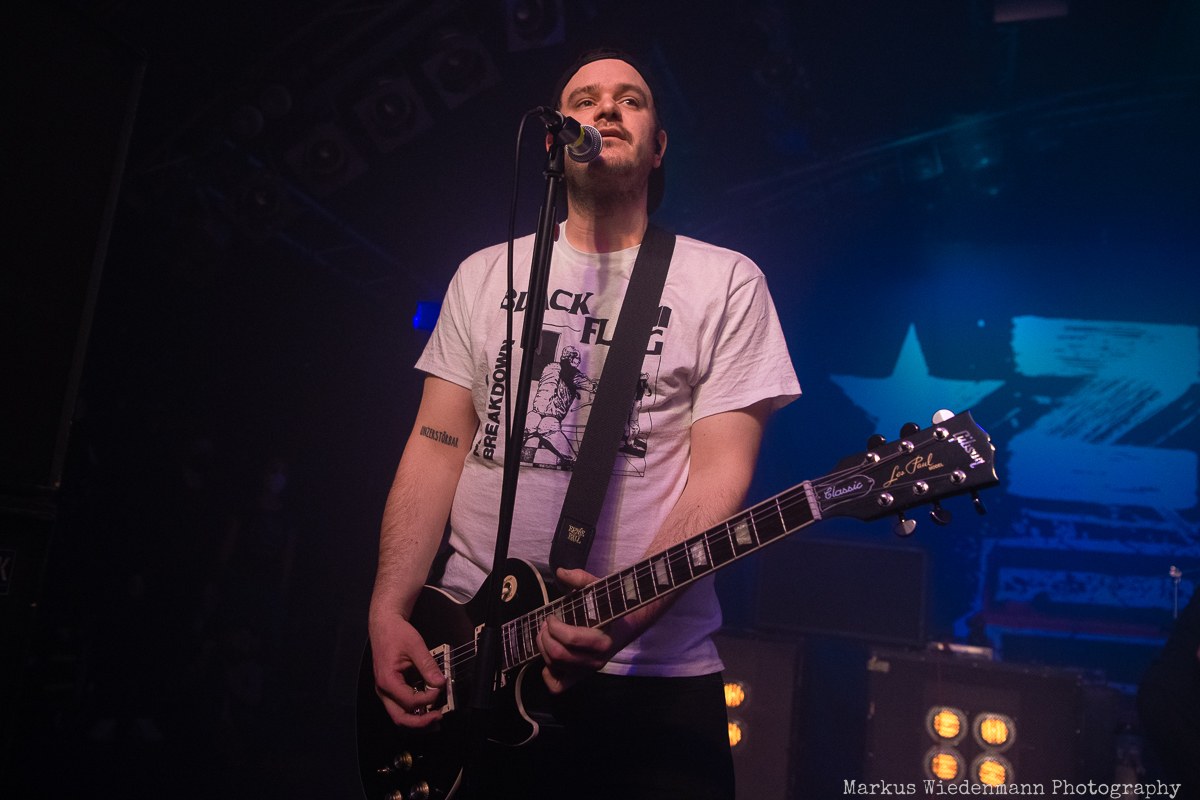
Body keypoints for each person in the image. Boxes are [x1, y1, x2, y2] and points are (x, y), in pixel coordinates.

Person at [367, 47, 800, 799]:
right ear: (553, 140)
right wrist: (388, 608)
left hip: (654, 677)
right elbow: (437, 447)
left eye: (631, 99)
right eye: (585, 98)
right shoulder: (483, 273)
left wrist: (623, 620)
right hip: (464, 652)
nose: (606, 108)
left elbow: (722, 473)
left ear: (658, 146)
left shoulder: (725, 280)